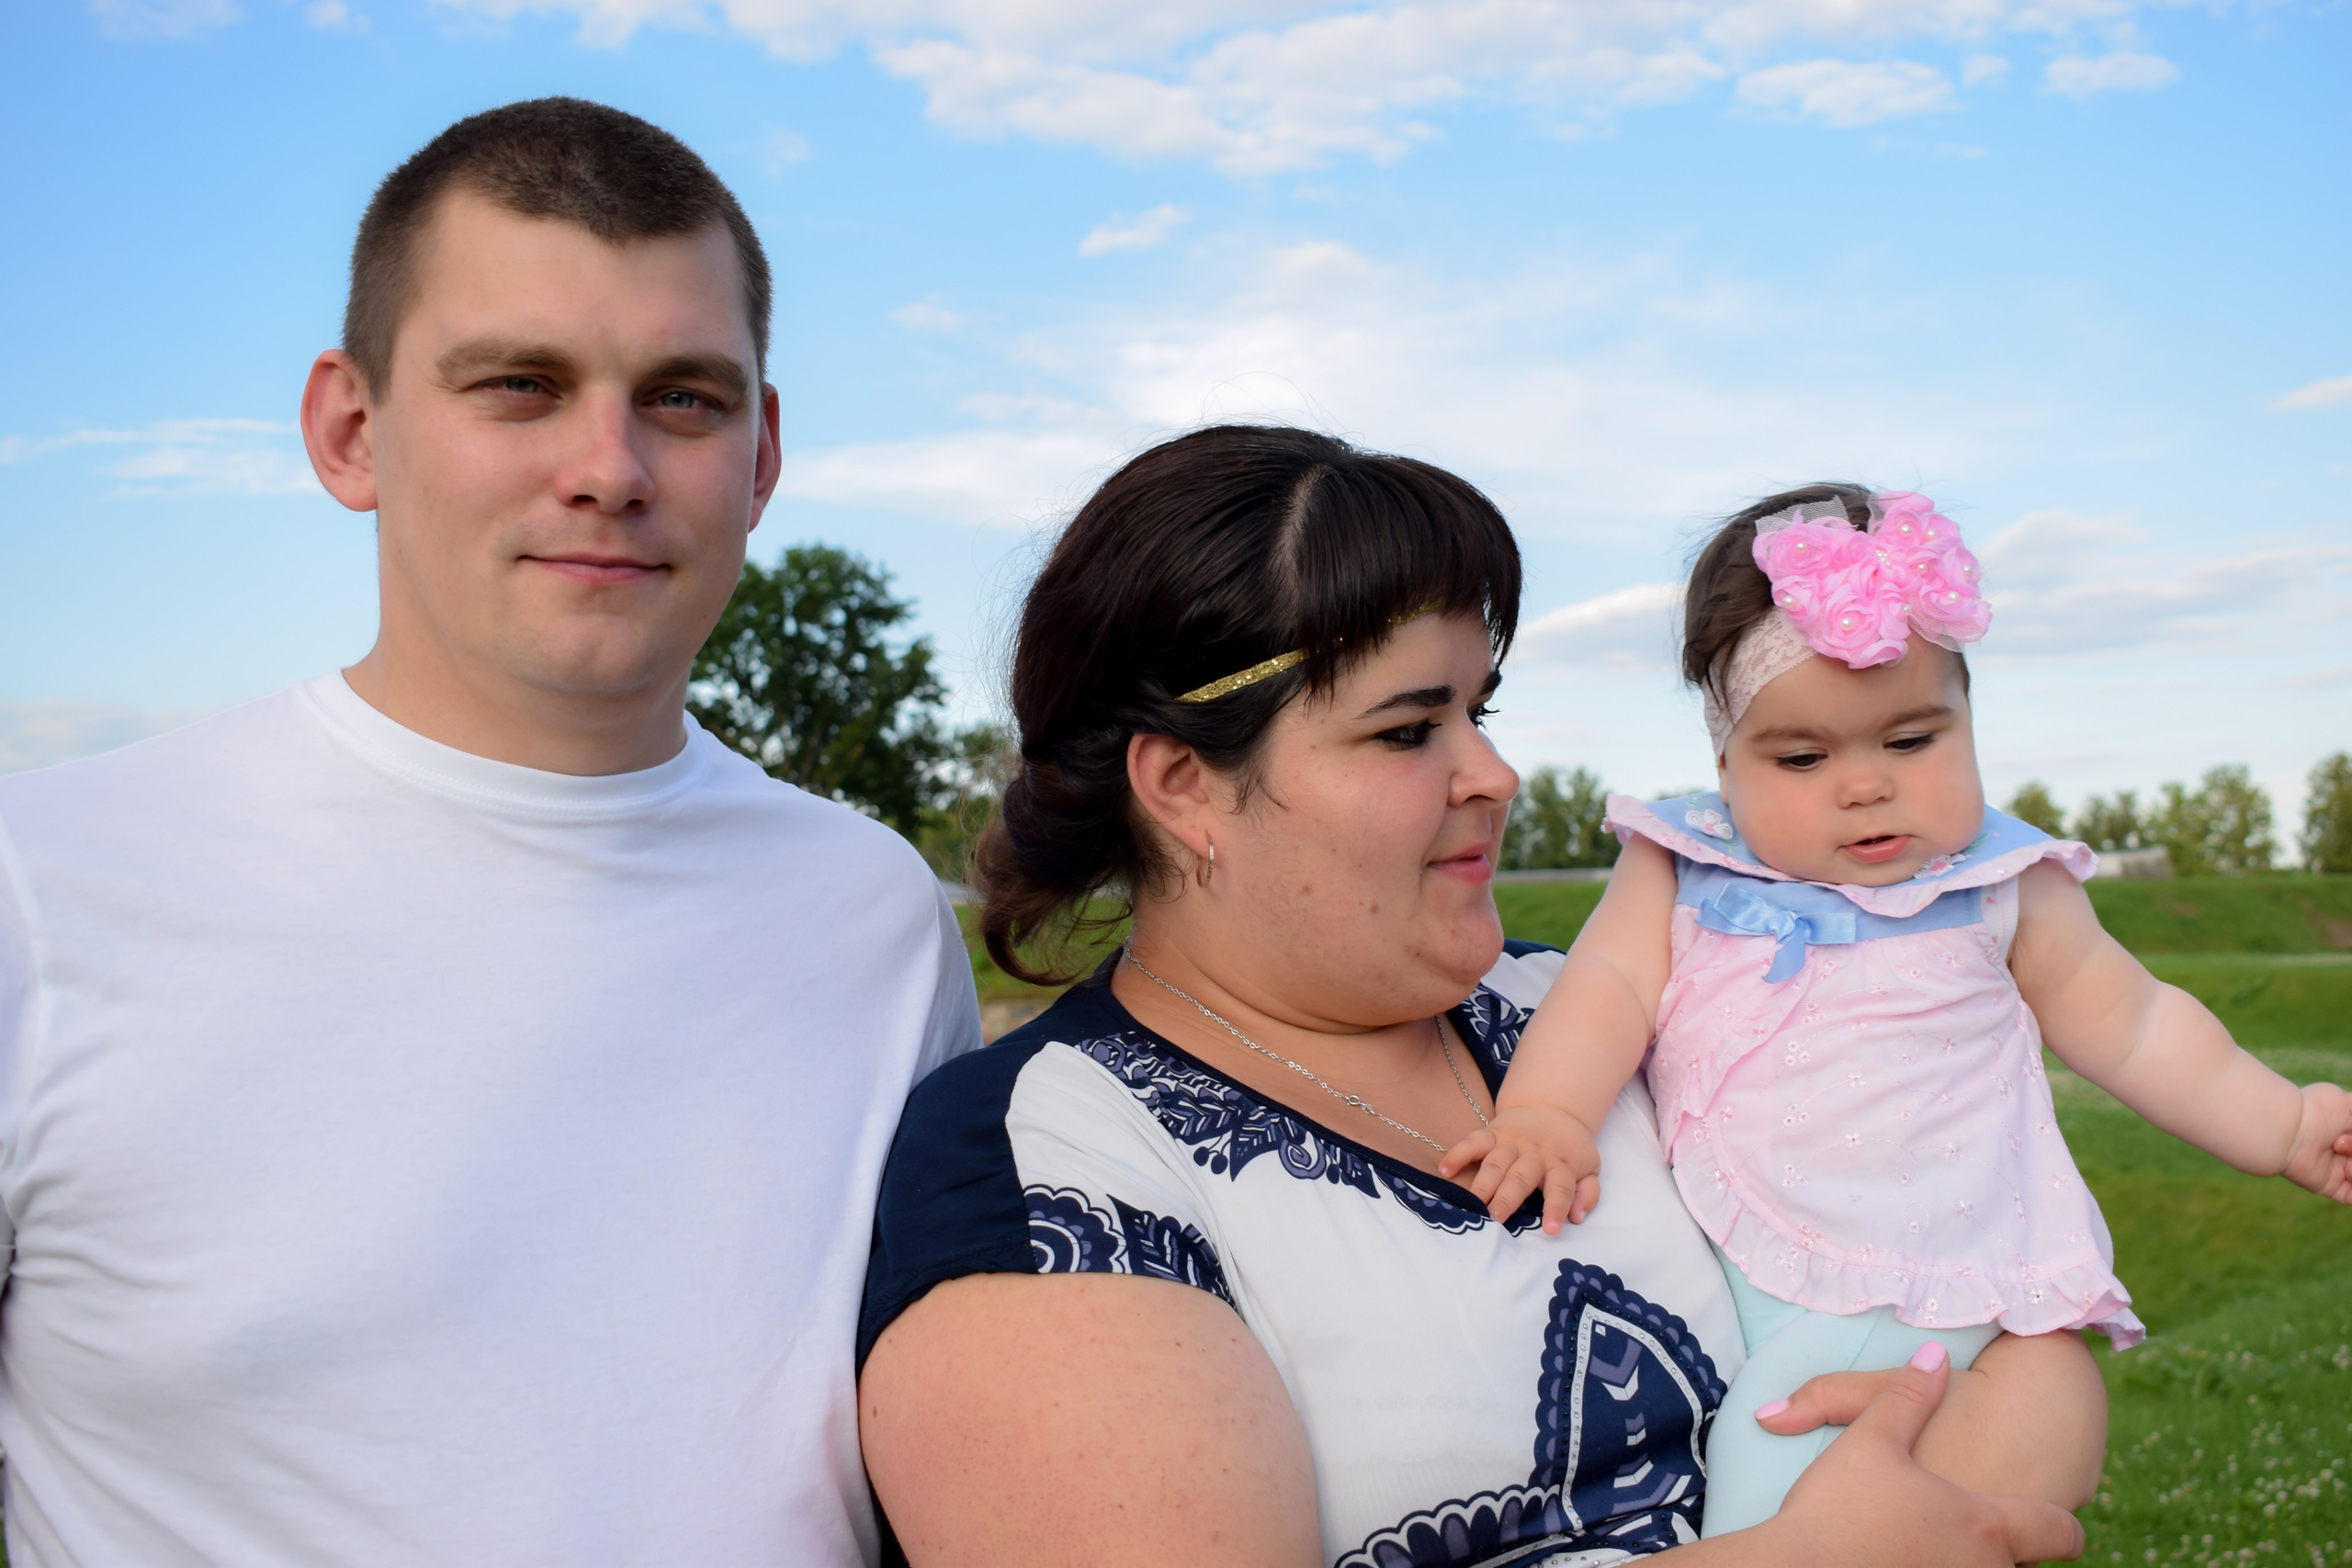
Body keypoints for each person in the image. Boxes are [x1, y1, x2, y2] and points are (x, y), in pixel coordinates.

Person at [0, 98, 978, 1566]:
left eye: (685, 397)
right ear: (350, 428)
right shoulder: (42, 885)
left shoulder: (873, 914)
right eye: (519, 384)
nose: (610, 464)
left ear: (762, 453)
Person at [855, 427, 2103, 1567]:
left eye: (1480, 708)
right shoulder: (1047, 1162)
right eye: (1409, 729)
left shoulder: (1610, 1009)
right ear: (1183, 784)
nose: (1496, 773)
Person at [1436, 484, 2352, 1535]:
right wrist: (1548, 1110)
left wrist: (2283, 1124)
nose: (1863, 786)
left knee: (1777, 1471)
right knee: (1798, 1470)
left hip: (1944, 1278)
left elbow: (2137, 1025)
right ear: (1722, 760)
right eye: (1803, 759)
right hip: (1771, 1272)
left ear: (1968, 719)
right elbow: (1606, 990)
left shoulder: (2001, 882)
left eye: (1910, 742)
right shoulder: (1680, 863)